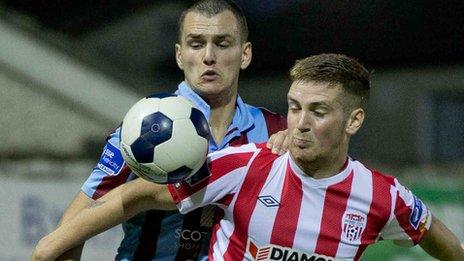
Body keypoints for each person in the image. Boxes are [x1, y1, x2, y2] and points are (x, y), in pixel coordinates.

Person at [32, 53, 464, 261]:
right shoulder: (246, 165)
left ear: (354, 121)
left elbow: (444, 243)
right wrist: (48, 248)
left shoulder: (383, 197)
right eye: (295, 107)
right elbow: (135, 196)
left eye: (318, 111)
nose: (300, 122)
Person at [52, 0, 287, 260]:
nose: (209, 56)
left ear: (245, 54)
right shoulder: (144, 126)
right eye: (196, 44)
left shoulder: (275, 131)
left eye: (222, 44)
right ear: (179, 55)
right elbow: (71, 228)